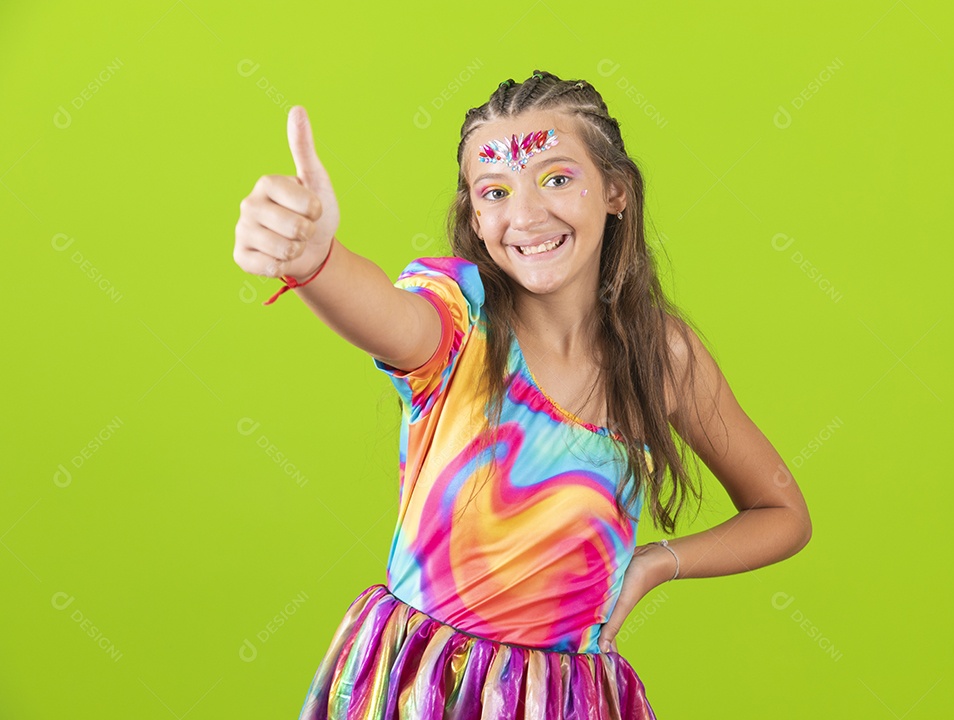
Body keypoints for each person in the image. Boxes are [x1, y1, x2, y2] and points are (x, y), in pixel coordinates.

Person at [234, 69, 812, 719]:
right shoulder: (454, 327)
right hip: (426, 694)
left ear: (615, 189)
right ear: (476, 218)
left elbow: (782, 512)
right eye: (496, 192)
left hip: (567, 702)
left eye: (558, 178)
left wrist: (656, 563)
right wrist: (315, 259)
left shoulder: (663, 358)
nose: (527, 215)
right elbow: (378, 311)